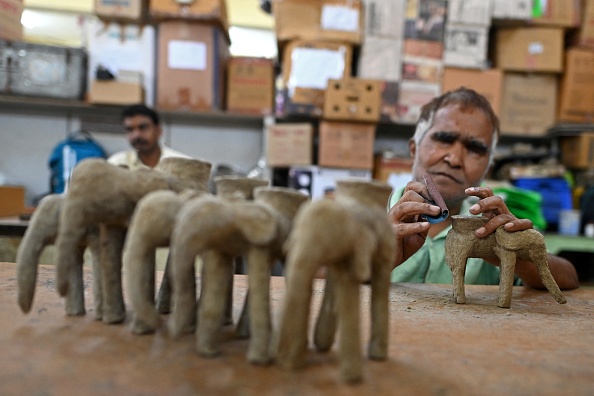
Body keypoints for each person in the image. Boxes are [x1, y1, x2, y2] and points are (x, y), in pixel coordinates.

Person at [388, 87, 579, 290]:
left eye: (474, 149)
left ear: (487, 169)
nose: (454, 159)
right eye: (444, 139)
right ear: (413, 149)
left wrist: (518, 255)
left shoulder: (489, 229)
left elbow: (569, 280)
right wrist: (377, 260)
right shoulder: (369, 215)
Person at [108, 104, 190, 170]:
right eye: (130, 130)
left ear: (158, 131)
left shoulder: (181, 165)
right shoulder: (116, 164)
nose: (136, 135)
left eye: (143, 127)